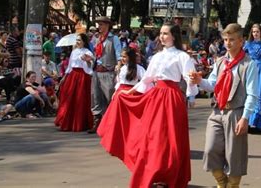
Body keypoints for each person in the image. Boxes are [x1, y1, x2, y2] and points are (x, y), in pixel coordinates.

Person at [97, 22, 197, 188]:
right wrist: (130, 92)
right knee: (153, 136)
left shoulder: (182, 56)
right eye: (161, 33)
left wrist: (191, 95)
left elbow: (190, 77)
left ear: (174, 36)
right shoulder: (157, 56)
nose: (162, 36)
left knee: (171, 137)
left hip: (172, 98)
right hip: (157, 96)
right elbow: (147, 79)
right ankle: (154, 171)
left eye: (166, 33)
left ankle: (169, 174)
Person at [190, 23, 259, 188]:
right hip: (217, 111)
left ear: (241, 41)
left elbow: (252, 94)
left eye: (232, 40)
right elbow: (212, 84)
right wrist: (200, 81)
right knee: (210, 149)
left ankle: (232, 185)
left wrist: (245, 118)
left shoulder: (249, 64)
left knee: (234, 155)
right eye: (226, 39)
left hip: (236, 112)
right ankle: (221, 182)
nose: (228, 43)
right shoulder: (220, 62)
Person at [88, 16, 122, 133]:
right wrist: (89, 59)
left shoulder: (114, 39)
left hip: (108, 72)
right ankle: (97, 123)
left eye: (101, 24)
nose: (99, 27)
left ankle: (111, 125)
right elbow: (96, 55)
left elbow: (119, 53)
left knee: (109, 98)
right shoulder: (97, 39)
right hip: (97, 72)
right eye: (98, 24)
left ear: (107, 25)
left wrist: (118, 64)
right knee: (95, 97)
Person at [55, 33, 94, 131]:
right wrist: (65, 76)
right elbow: (69, 66)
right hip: (72, 75)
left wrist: (87, 61)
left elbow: (90, 66)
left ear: (84, 42)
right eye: (77, 40)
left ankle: (80, 123)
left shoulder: (88, 52)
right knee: (68, 97)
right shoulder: (74, 51)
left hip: (83, 76)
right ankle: (67, 121)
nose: (77, 42)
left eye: (79, 40)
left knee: (80, 99)